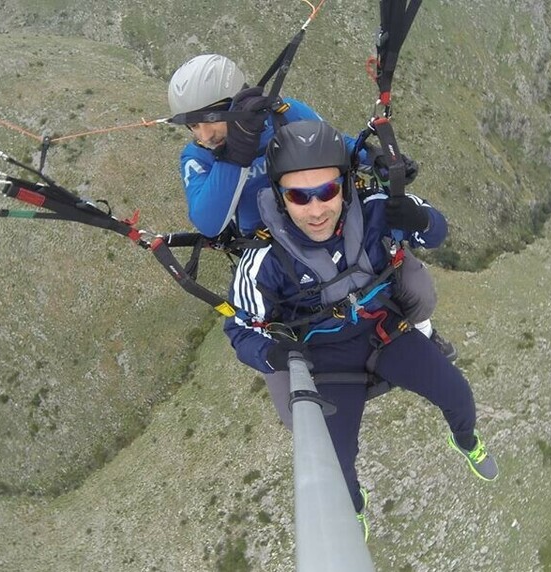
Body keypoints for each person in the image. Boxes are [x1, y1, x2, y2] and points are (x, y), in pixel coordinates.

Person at [223, 120, 498, 540]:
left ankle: (465, 440)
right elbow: (239, 326)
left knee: (457, 392)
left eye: (328, 191)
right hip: (326, 360)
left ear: (346, 185)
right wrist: (273, 356)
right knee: (337, 460)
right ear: (280, 198)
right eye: (299, 196)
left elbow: (435, 230)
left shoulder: (375, 209)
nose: (316, 209)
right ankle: (354, 506)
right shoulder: (265, 261)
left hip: (383, 335)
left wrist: (420, 217)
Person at [167, 54, 457, 424]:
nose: (204, 135)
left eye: (210, 119)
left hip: (329, 226)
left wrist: (373, 157)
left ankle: (421, 334)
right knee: (290, 393)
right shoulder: (198, 158)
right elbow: (209, 220)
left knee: (413, 285)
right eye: (193, 125)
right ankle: (336, 464)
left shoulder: (286, 115)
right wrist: (237, 153)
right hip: (275, 260)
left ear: (236, 104)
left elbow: (338, 145)